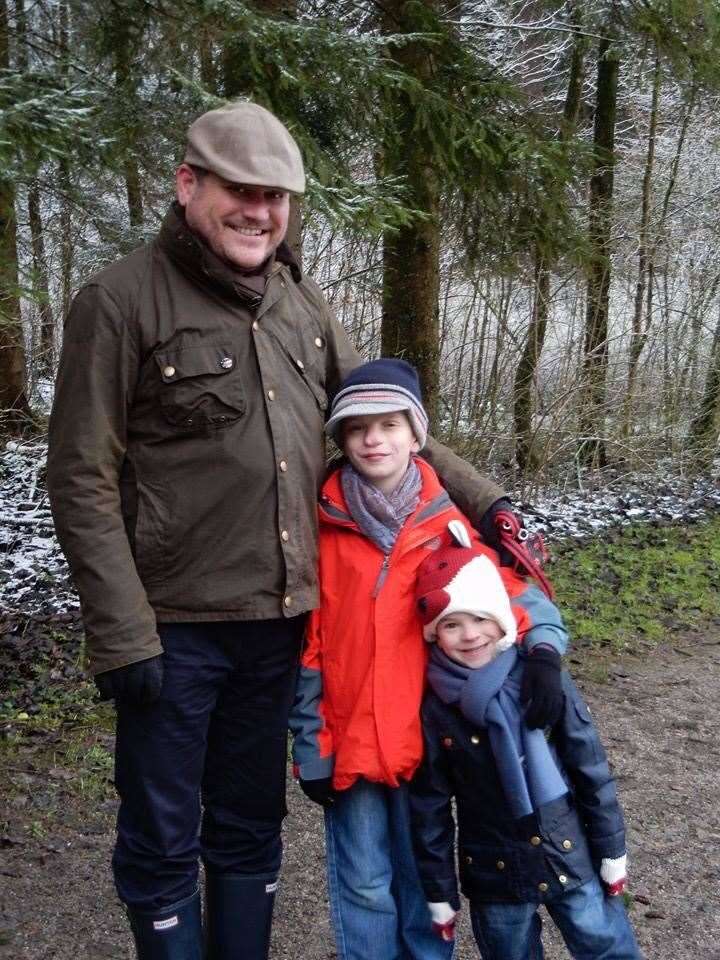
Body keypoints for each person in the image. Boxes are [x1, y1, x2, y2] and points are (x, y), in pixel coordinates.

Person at [46, 101, 523, 960]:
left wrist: (486, 503)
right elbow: (80, 476)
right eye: (241, 189)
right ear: (188, 184)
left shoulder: (301, 304)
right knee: (160, 836)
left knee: (248, 825)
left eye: (277, 196)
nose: (260, 212)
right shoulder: (118, 302)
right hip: (172, 630)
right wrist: (123, 636)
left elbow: (387, 418)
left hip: (281, 626)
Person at [289, 358, 568, 960]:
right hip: (351, 740)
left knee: (422, 874)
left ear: (416, 436)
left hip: (428, 744)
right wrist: (311, 743)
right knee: (364, 881)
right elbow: (308, 650)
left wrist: (544, 650)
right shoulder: (319, 526)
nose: (373, 438)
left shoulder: (453, 528)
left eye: (389, 424)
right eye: (358, 427)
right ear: (341, 441)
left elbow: (515, 601)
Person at [409, 530, 643, 959]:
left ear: (502, 616)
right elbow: (430, 810)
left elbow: (588, 765)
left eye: (480, 618)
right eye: (452, 624)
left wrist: (612, 848)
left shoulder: (542, 682)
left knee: (605, 945)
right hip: (494, 872)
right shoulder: (435, 708)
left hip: (568, 852)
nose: (469, 635)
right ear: (433, 633)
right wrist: (439, 891)